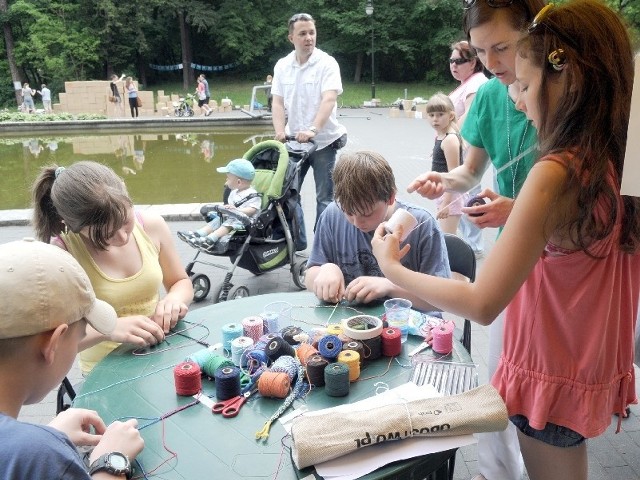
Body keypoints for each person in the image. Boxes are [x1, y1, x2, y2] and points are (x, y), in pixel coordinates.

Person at [373, 2, 640, 480]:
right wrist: (520, 213)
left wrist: (393, 269)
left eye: (525, 83)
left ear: (568, 80)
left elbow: (480, 303)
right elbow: (586, 230)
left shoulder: (554, 173)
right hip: (582, 360)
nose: (515, 98)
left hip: (547, 366)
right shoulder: (611, 157)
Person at [409, 2, 545, 478]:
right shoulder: (488, 97)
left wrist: (517, 208)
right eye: (482, 51)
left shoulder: (558, 88)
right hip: (509, 250)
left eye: (502, 47)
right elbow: (471, 172)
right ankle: (500, 472)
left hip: (561, 251)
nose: (493, 62)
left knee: (547, 377)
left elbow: (574, 186)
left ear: (534, 33)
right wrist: (444, 181)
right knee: (503, 370)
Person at [31, 161, 193, 375]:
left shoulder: (152, 226)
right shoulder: (63, 254)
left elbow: (180, 282)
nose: (123, 237)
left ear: (125, 192)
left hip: (159, 352)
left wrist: (174, 300)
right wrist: (108, 329)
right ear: (69, 224)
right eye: (106, 235)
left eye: (126, 222)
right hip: (105, 371)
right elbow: (55, 345)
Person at [0, 239, 144, 479]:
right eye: (81, 336)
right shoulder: (39, 457)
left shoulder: (27, 451)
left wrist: (49, 433)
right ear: (53, 344)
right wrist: (111, 462)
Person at [306, 151, 450, 310]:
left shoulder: (422, 224)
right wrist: (325, 270)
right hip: (348, 320)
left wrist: (390, 287)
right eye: (348, 213)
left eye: (367, 214)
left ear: (390, 197)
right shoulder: (332, 214)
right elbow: (310, 274)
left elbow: (443, 302)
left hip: (407, 325)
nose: (357, 222)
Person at [271, 12, 348, 232]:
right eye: (302, 33)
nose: (308, 38)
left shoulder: (327, 63)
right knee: (288, 195)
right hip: (294, 141)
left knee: (325, 197)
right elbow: (277, 102)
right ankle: (298, 240)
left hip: (323, 141)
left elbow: (329, 99)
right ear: (291, 38)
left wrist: (313, 129)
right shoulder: (282, 66)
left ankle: (323, 245)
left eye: (312, 32)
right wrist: (279, 132)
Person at [448, 40, 489, 258]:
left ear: (473, 62)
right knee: (461, 193)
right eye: (451, 60)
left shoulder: (476, 83)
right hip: (459, 145)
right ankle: (470, 241)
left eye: (459, 61)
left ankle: (474, 245)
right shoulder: (467, 82)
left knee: (467, 194)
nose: (454, 65)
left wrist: (449, 137)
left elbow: (469, 116)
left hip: (468, 147)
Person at [177, 158, 261, 252]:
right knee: (219, 220)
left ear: (238, 182)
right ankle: (199, 234)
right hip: (234, 219)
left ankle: (209, 240)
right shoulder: (234, 192)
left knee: (229, 224)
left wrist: (237, 211)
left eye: (228, 178)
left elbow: (252, 210)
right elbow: (230, 207)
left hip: (246, 226)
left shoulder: (252, 194)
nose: (226, 179)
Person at [426, 93, 464, 236]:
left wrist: (447, 203)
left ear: (451, 115)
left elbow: (453, 175)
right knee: (447, 235)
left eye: (440, 114)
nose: (435, 119)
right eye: (431, 115)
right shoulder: (441, 136)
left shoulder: (449, 139)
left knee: (448, 238)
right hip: (443, 192)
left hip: (450, 194)